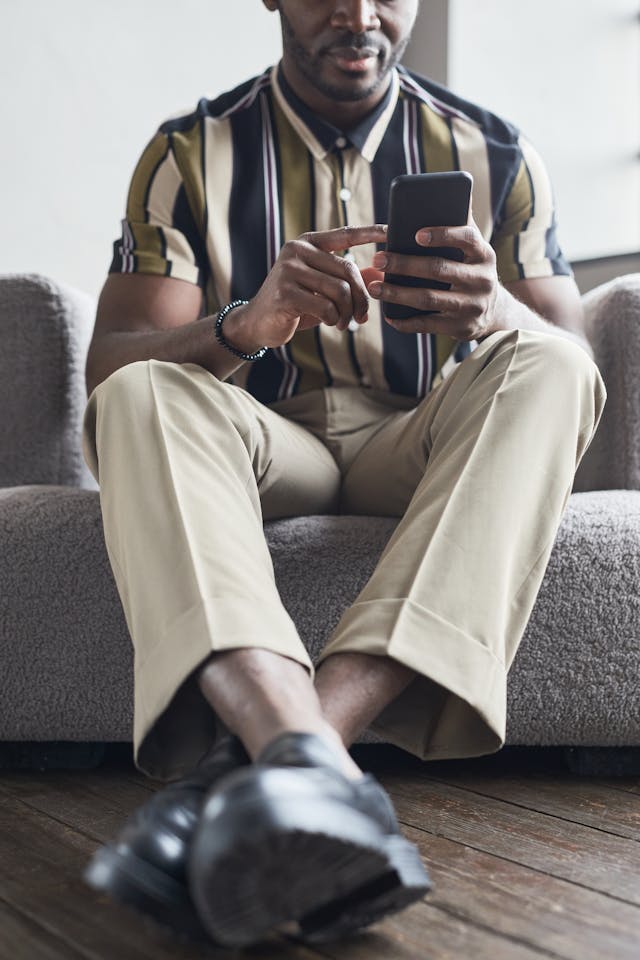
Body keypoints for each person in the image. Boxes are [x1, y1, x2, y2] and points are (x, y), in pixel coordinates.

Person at [82, 0, 606, 948]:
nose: (359, 14)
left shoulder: (495, 150)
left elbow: (578, 364)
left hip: (418, 440)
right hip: (265, 438)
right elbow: (110, 366)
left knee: (555, 364)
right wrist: (241, 324)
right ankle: (310, 766)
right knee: (139, 394)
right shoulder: (188, 152)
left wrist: (493, 311)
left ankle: (290, 753)